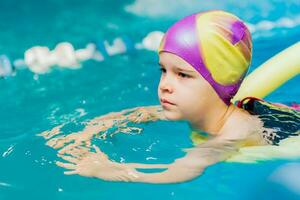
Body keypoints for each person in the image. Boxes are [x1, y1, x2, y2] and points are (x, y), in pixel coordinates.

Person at [39, 10, 300, 184]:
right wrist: (82, 134)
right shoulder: (190, 106)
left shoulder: (232, 133)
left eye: (183, 75)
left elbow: (182, 170)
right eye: (163, 71)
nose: (165, 85)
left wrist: (108, 170)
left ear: (217, 82)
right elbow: (134, 115)